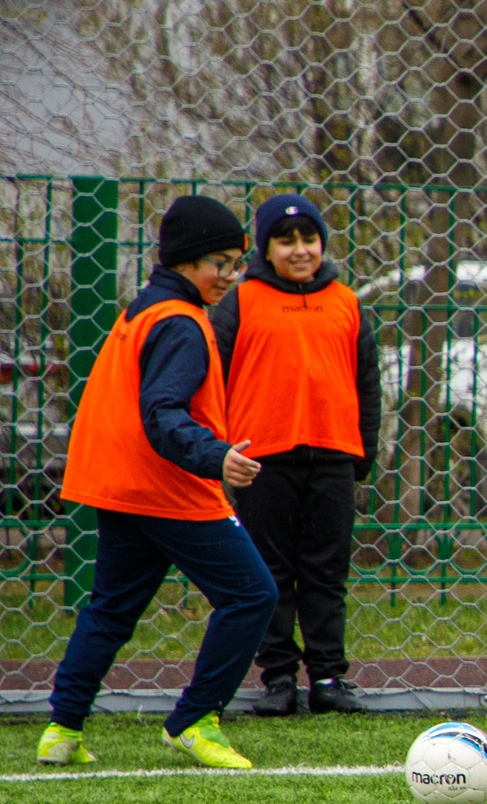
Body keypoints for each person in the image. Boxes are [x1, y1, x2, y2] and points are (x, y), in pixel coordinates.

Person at [37, 195, 277, 769]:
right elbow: (163, 413)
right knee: (252, 594)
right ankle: (195, 717)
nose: (229, 275)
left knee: (112, 609)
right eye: (219, 261)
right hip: (165, 490)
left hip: (117, 484)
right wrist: (216, 457)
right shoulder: (182, 323)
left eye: (237, 262)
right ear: (186, 260)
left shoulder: (142, 310)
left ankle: (62, 728)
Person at [210, 194, 379, 716]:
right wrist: (221, 452)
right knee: (271, 574)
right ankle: (278, 677)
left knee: (327, 574)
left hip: (332, 456)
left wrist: (362, 453)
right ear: (265, 248)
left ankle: (328, 677)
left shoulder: (345, 302)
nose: (300, 250)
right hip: (263, 459)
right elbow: (215, 377)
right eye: (286, 241)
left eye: (309, 238)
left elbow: (367, 382)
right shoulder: (243, 301)